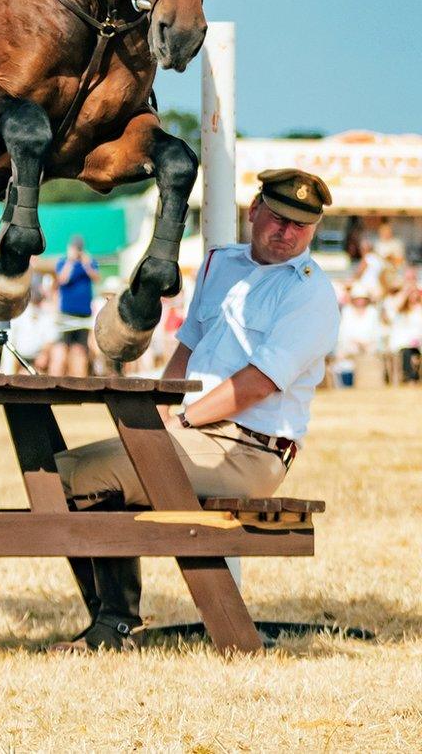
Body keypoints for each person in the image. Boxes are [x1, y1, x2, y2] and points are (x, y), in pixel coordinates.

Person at [51, 168, 340, 651]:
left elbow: (258, 383)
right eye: (278, 218)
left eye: (301, 225)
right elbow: (187, 348)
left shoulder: (310, 291)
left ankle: (116, 625)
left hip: (250, 449)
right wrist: (158, 413)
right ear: (255, 211)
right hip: (195, 434)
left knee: (81, 476)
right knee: (64, 474)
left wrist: (182, 419)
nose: (287, 233)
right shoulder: (218, 264)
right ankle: (114, 621)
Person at [53, 235, 100, 376]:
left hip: (84, 314)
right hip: (66, 313)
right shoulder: (63, 262)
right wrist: (71, 261)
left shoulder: (89, 262)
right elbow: (62, 279)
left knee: (79, 351)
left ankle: (79, 386)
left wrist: (86, 264)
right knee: (61, 350)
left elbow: (96, 278)